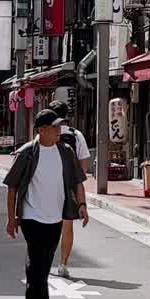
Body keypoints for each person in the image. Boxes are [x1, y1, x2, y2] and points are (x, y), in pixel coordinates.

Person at [4, 109, 88, 299]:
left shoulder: (66, 151)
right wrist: (12, 218)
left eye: (59, 126)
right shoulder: (27, 153)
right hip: (31, 216)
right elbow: (12, 186)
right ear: (41, 130)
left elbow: (77, 181)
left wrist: (82, 205)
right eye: (54, 127)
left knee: (46, 258)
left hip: (55, 216)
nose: (59, 130)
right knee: (36, 258)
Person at [55, 108, 90, 279]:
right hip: (69, 187)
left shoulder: (44, 134)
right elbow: (83, 170)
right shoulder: (76, 135)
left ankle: (43, 261)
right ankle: (63, 265)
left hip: (47, 186)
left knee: (46, 227)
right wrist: (81, 198)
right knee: (66, 227)